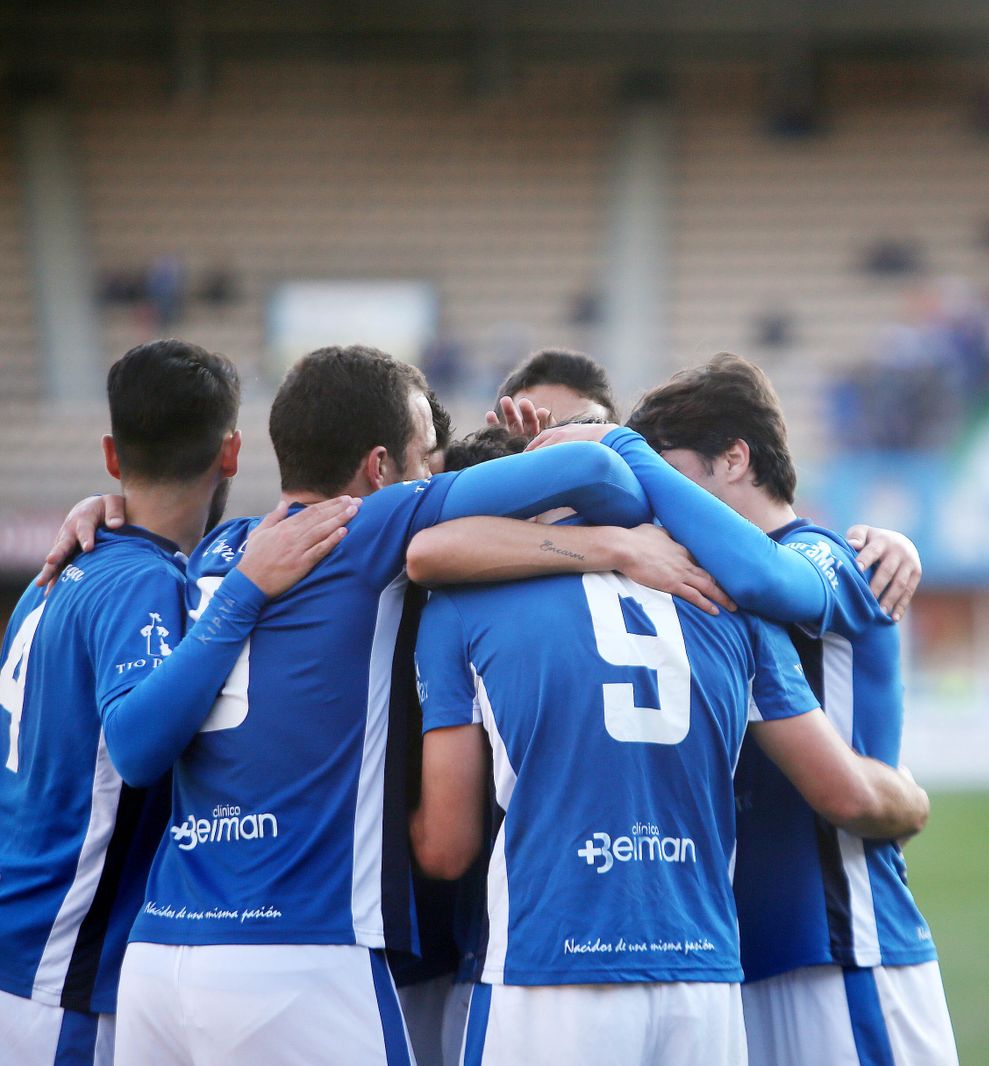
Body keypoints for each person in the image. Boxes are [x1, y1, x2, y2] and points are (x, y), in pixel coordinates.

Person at [93, 344, 673, 1064]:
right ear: (379, 468)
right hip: (300, 949)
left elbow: (137, 749)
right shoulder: (370, 526)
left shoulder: (219, 550)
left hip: (161, 955)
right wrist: (581, 468)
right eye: (425, 456)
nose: (431, 472)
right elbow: (597, 473)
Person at [407, 429, 929, 1066]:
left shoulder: (460, 608)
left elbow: (446, 845)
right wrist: (909, 796)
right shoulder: (730, 601)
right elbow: (836, 783)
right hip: (703, 976)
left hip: (548, 966)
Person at [534, 353, 959, 1065]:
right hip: (732, 958)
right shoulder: (689, 579)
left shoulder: (832, 555)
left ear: (735, 459)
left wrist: (623, 450)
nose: (652, 499)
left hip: (845, 943)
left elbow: (769, 578)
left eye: (668, 476)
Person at [0, 340, 353, 1064]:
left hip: (21, 938)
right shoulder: (143, 582)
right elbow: (134, 746)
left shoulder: (57, 572)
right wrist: (245, 597)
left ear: (109, 453)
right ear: (231, 454)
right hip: (60, 974)